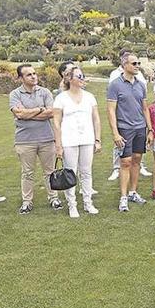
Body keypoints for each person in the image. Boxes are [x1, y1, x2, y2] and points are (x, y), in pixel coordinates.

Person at [9, 64, 63, 214]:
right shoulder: (15, 94)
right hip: (24, 140)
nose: (33, 76)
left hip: (46, 138)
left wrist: (28, 113)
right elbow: (19, 114)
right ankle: (27, 201)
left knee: (50, 171)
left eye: (34, 73)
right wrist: (40, 109)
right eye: (28, 75)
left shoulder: (45, 92)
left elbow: (51, 112)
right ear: (20, 78)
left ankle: (53, 198)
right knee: (27, 173)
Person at [52, 65, 101, 218]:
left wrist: (97, 139)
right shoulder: (61, 98)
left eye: (82, 76)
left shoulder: (89, 96)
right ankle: (72, 205)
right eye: (78, 76)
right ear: (69, 79)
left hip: (87, 138)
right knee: (70, 173)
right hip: (69, 140)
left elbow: (96, 119)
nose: (82, 79)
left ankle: (88, 203)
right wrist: (58, 145)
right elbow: (56, 122)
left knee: (86, 172)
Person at [107, 52, 152, 212]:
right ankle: (123, 197)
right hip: (125, 129)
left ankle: (133, 192)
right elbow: (111, 111)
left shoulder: (141, 84)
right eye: (134, 63)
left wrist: (150, 129)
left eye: (138, 63)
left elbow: (145, 108)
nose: (137, 66)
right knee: (125, 162)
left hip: (140, 128)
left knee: (137, 160)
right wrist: (115, 133)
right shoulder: (115, 85)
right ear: (124, 65)